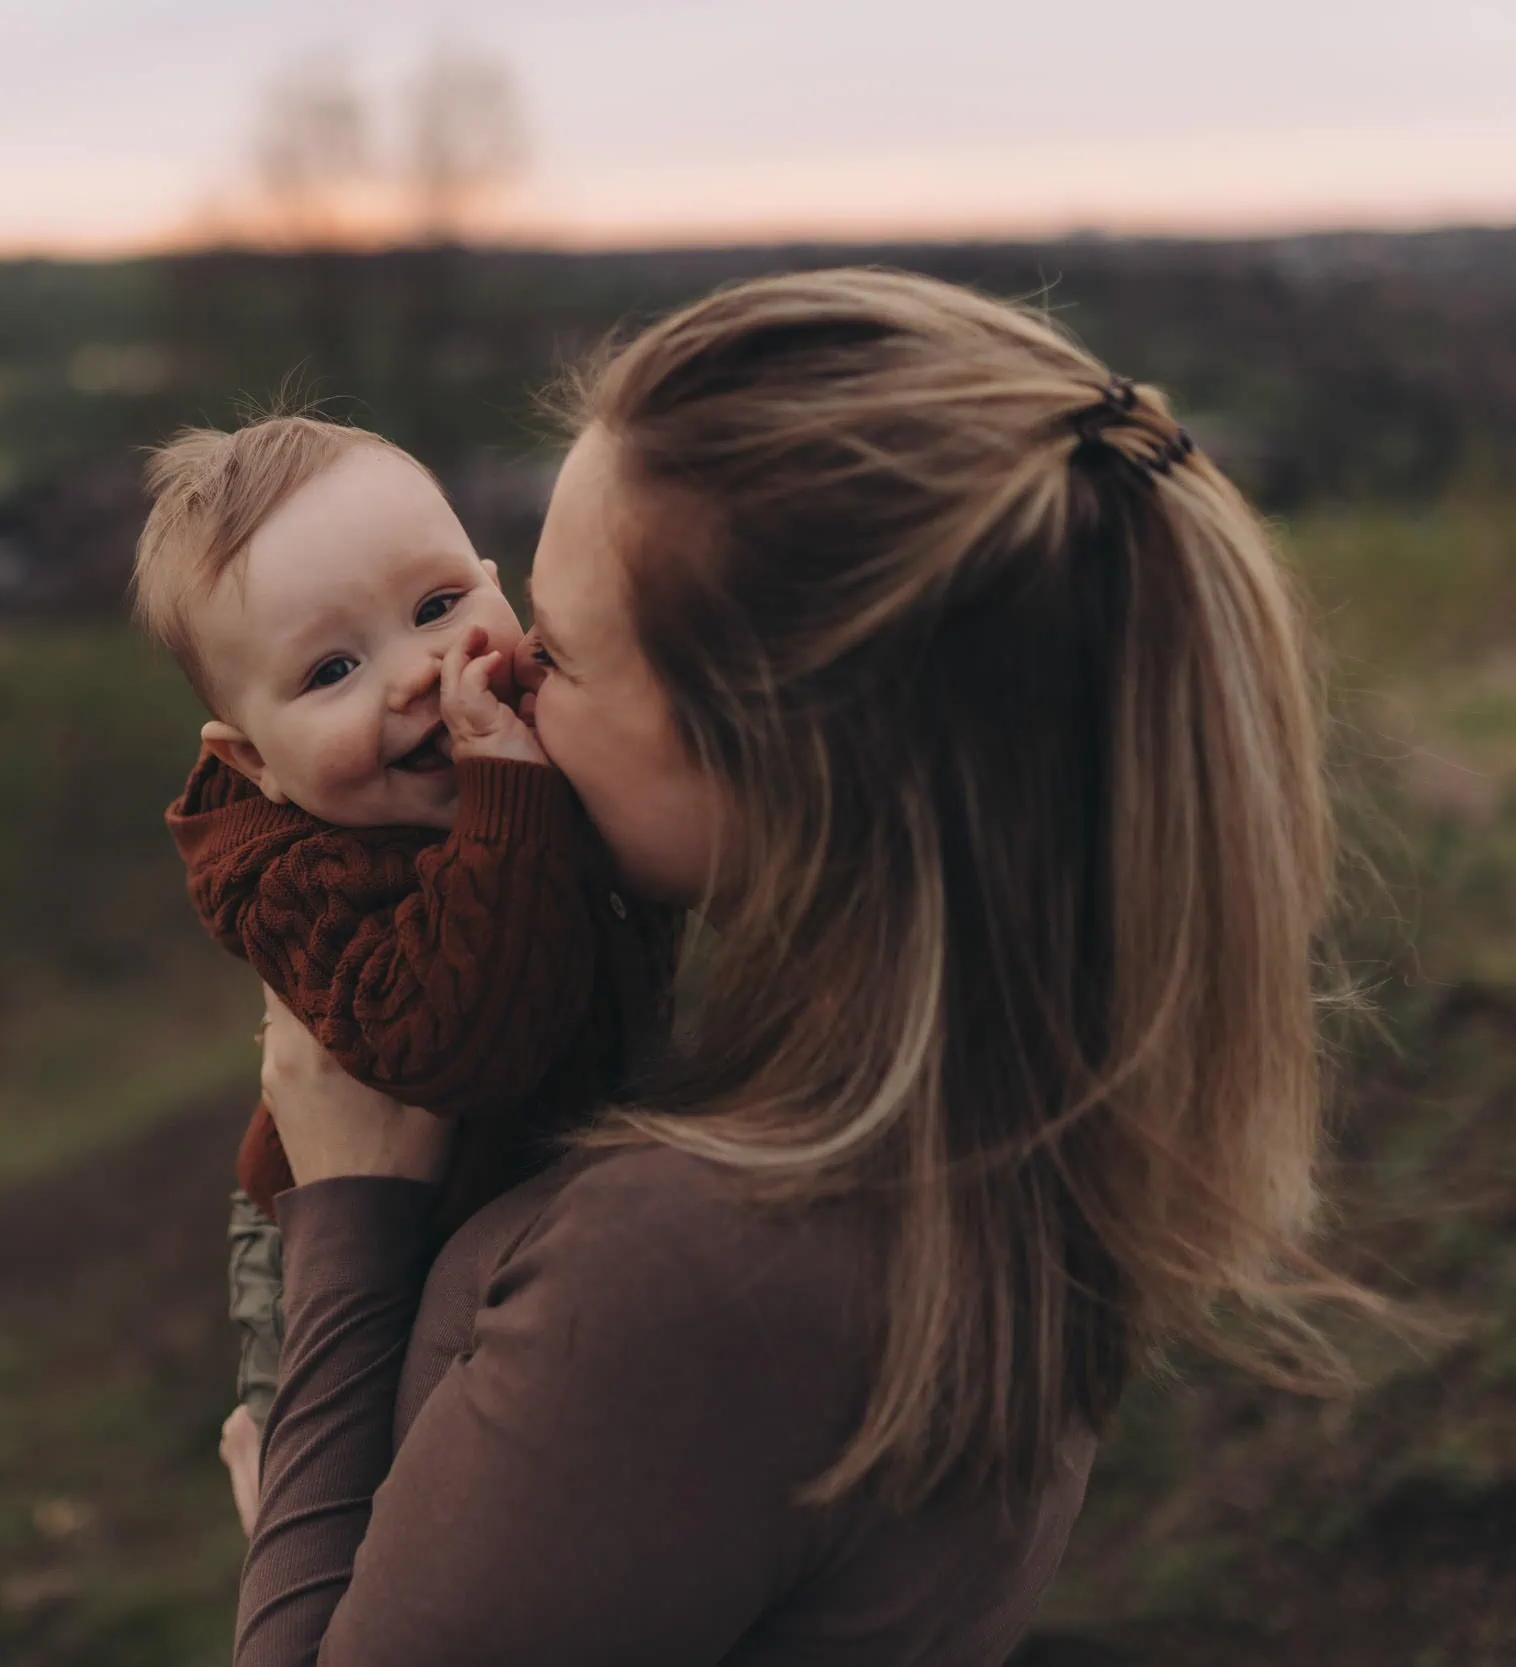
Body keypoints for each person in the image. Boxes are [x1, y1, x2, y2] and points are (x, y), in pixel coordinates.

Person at [230, 268, 1355, 1666]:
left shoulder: (690, 1268)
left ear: (781, 763)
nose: (501, 679)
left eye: (564, 655)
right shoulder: (1016, 1145)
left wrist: (342, 1236)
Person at [130, 416, 676, 1430]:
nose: (417, 672)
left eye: (436, 605)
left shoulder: (533, 717)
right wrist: (511, 791)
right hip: (349, 1247)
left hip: (544, 1193)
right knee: (370, 1486)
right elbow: (452, 1044)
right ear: (255, 761)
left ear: (496, 581)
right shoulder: (294, 874)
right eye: (330, 672)